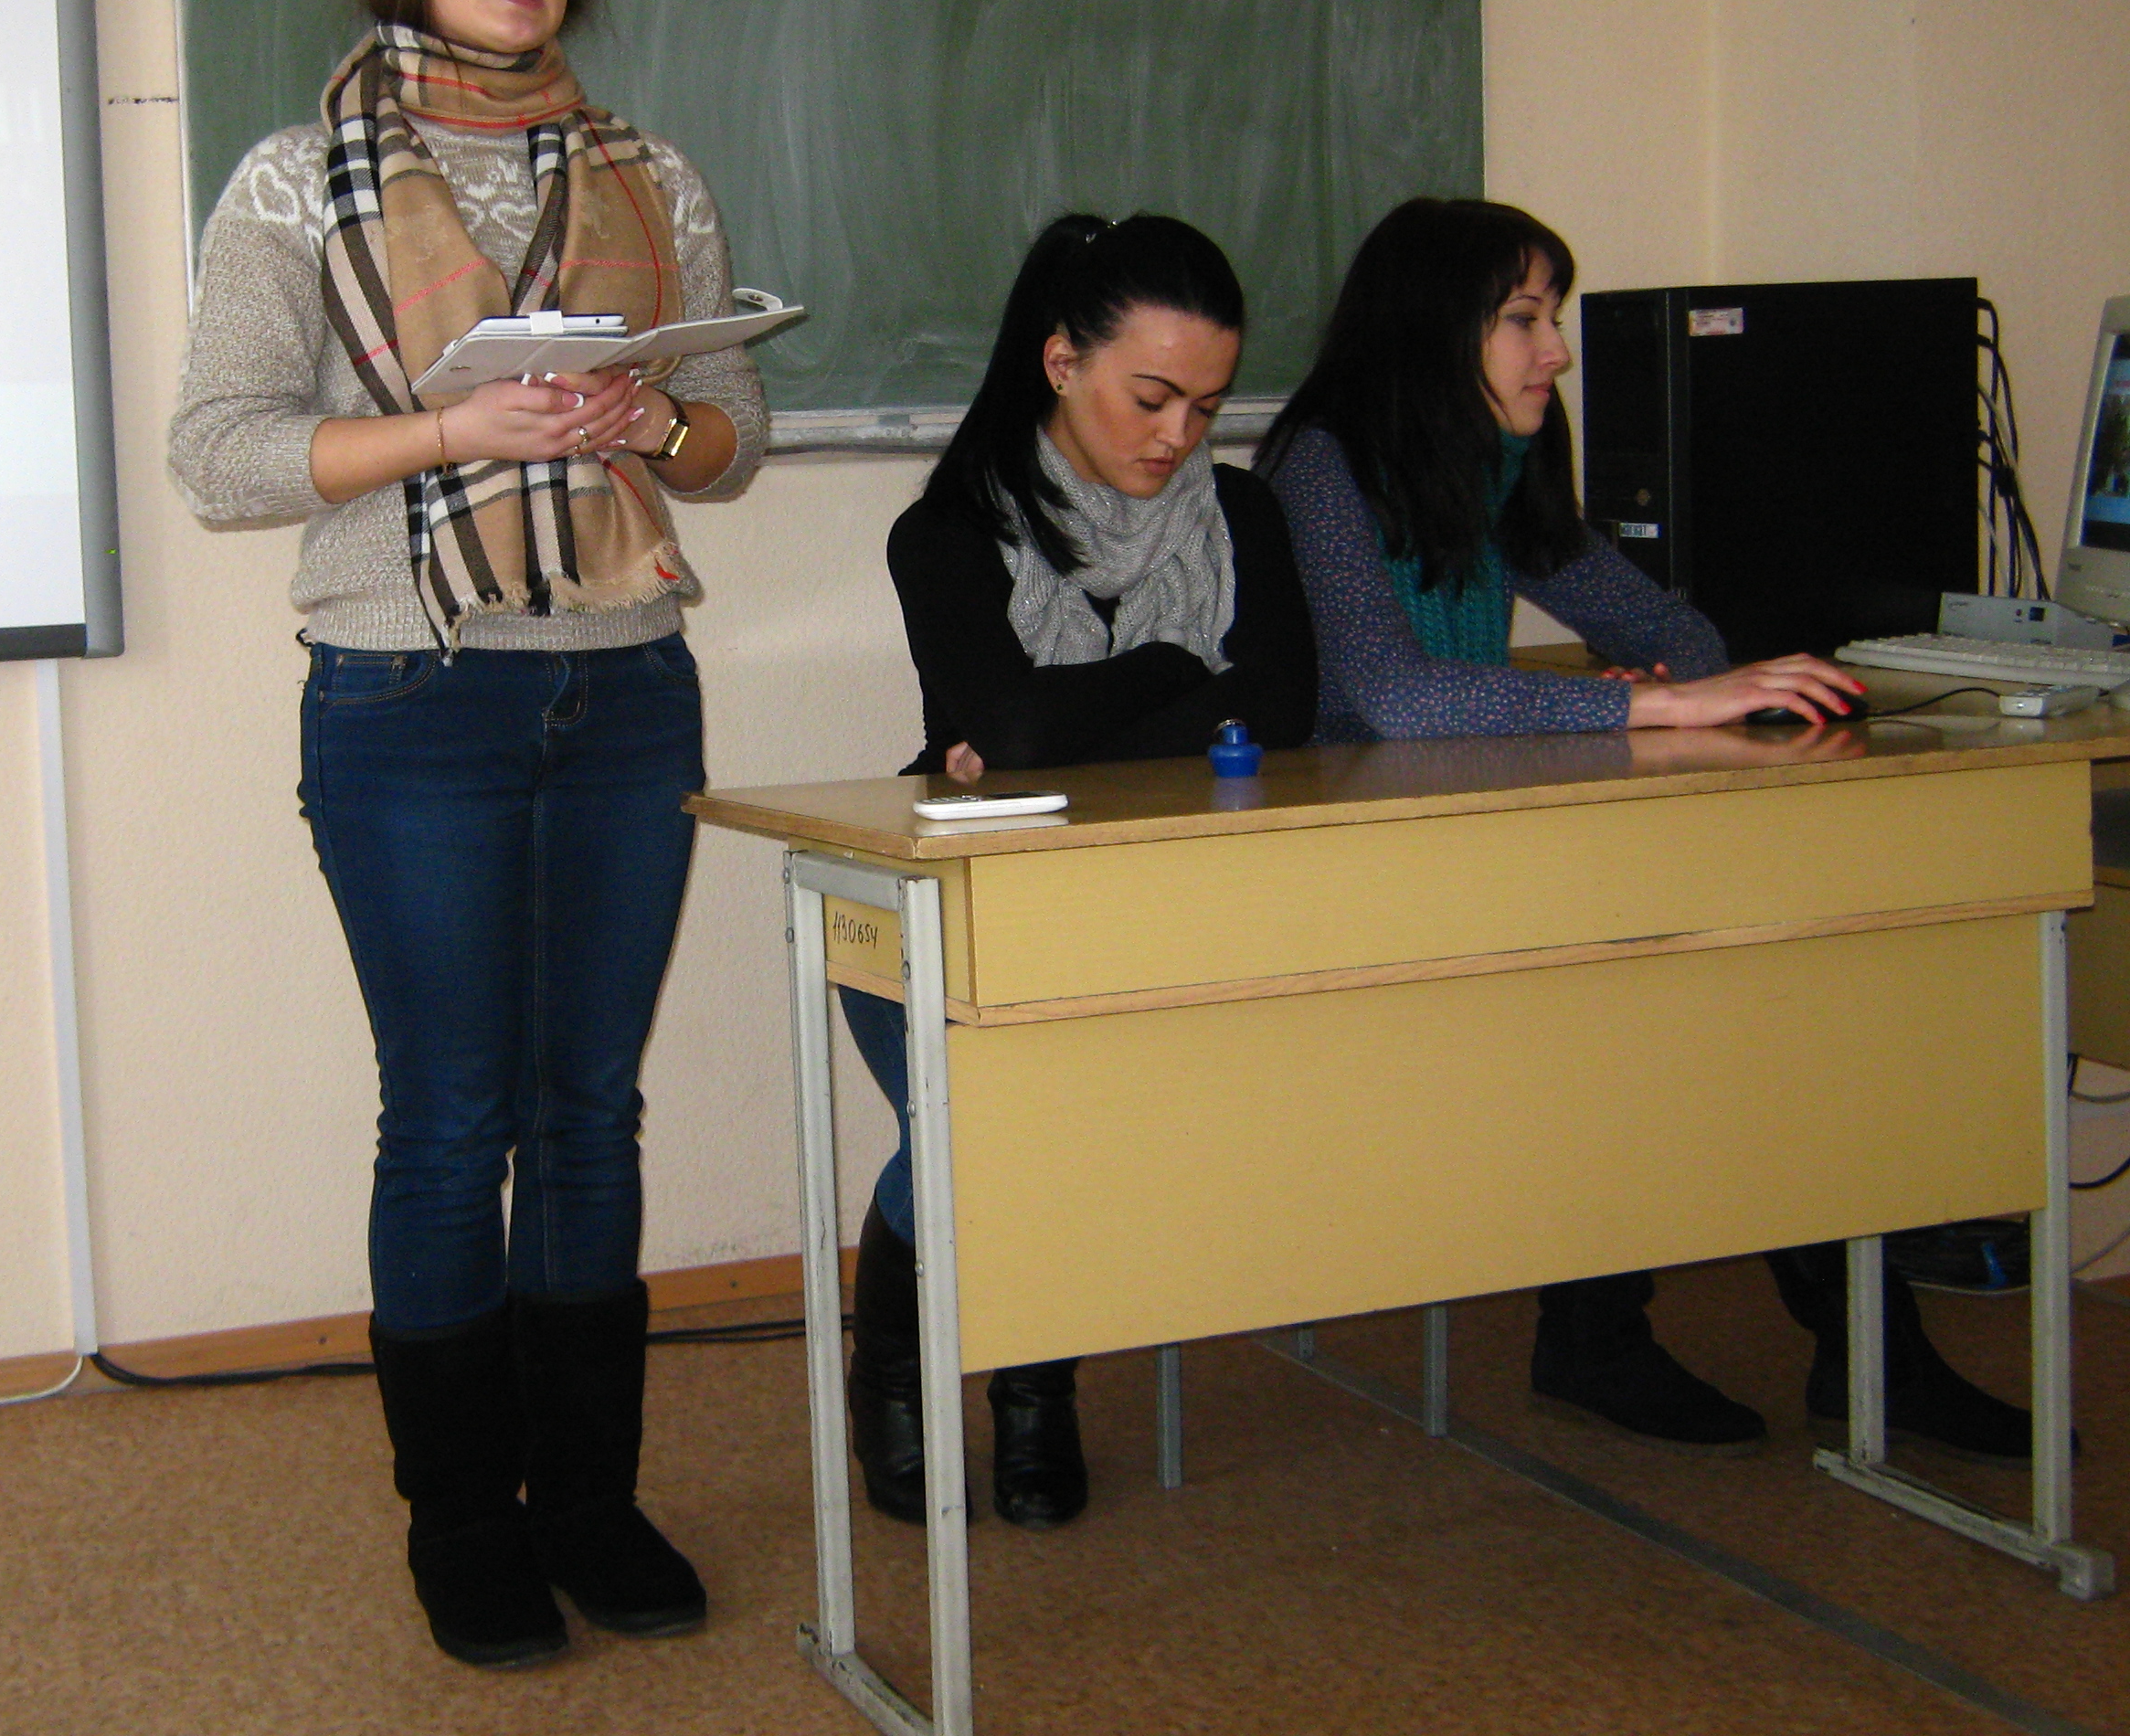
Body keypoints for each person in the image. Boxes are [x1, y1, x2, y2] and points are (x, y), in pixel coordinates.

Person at [167, 0, 765, 1669]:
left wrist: (648, 422)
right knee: (452, 1121)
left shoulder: (651, 177)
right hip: (410, 692)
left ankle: (586, 1501)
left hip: (626, 680)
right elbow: (219, 455)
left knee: (590, 1111)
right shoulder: (295, 180)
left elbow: (733, 439)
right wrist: (452, 431)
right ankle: (461, 1524)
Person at [1256, 195, 2040, 1463]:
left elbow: (1676, 632)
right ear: (1437, 327)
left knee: (1764, 999)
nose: (1556, 352)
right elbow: (1396, 701)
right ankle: (1617, 1334)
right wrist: (1642, 708)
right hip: (1360, 878)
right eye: (1526, 320)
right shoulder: (1321, 466)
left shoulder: (1487, 459)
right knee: (1680, 1010)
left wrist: (1661, 686)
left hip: (1490, 850)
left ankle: (1844, 1350)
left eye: (1552, 319)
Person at [841, 213, 1317, 1529]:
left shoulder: (1245, 516)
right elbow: (1016, 728)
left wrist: (1063, 723)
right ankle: (895, 1381)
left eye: (1206, 407)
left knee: (1074, 1135)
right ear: (1061, 362)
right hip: (955, 903)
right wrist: (1177, 671)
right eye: (1150, 397)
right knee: (962, 1134)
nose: (1178, 436)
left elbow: (1281, 711)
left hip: (1151, 901)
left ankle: (1035, 1390)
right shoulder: (947, 531)